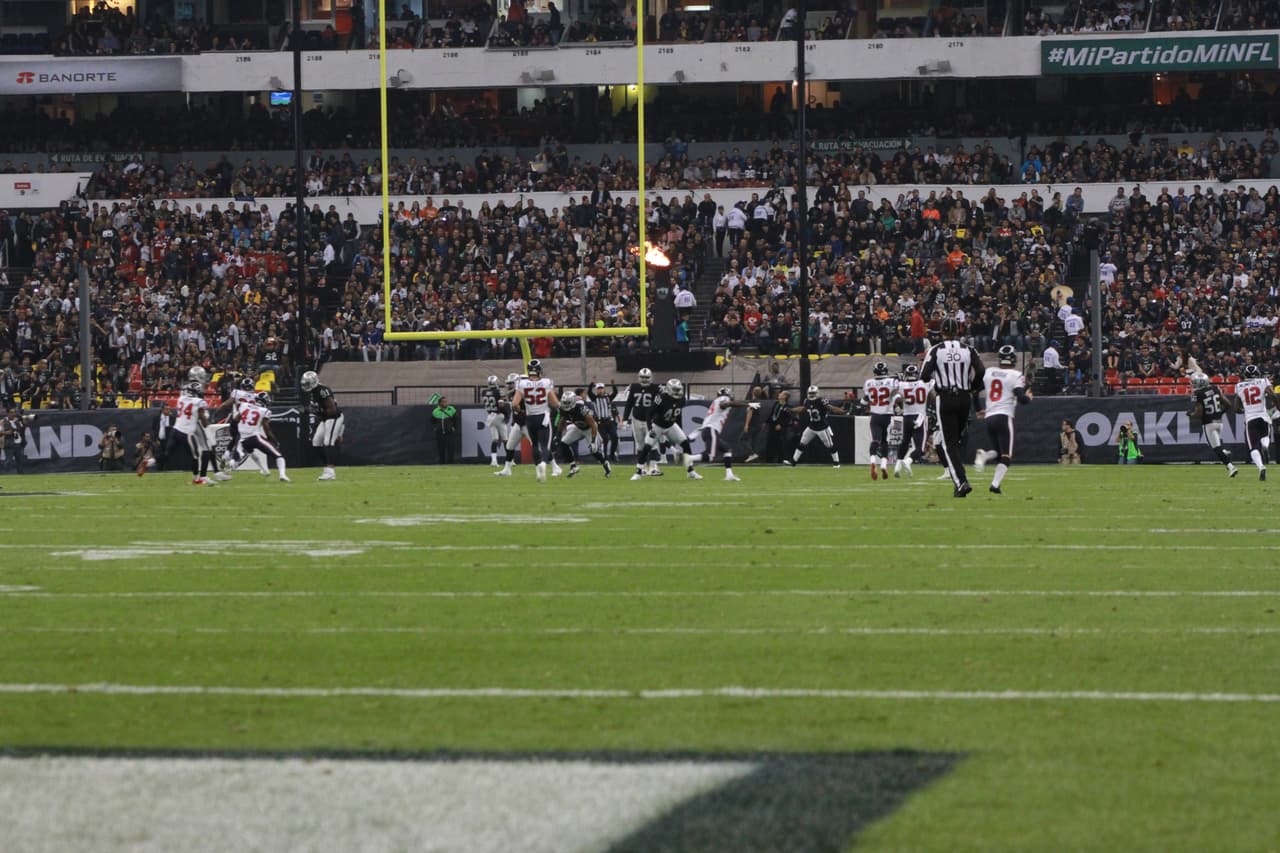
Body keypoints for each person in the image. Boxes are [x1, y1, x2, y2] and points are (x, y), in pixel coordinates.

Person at [921, 316, 985, 498]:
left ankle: (961, 481)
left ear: (941, 332)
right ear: (958, 331)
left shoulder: (936, 350)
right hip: (964, 397)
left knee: (949, 443)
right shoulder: (968, 349)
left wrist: (937, 379)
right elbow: (981, 370)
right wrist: (972, 386)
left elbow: (924, 375)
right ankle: (960, 478)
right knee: (957, 440)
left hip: (946, 397)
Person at [974, 345, 1034, 494]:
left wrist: (978, 409)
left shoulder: (989, 372)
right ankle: (994, 485)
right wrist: (1028, 397)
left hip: (989, 418)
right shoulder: (1015, 375)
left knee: (999, 454)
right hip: (1003, 417)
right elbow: (1022, 399)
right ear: (1013, 359)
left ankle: (985, 456)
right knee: (1006, 457)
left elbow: (974, 391)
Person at [635, 378, 700, 480]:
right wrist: (650, 427)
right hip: (658, 425)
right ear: (669, 389)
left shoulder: (681, 399)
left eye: (678, 389)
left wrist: (681, 429)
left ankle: (690, 471)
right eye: (675, 389)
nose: (677, 392)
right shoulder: (661, 398)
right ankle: (638, 472)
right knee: (647, 447)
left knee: (685, 444)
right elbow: (649, 412)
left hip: (671, 425)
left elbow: (678, 415)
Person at [510, 358, 560, 483]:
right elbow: (554, 403)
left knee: (535, 444)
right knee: (544, 445)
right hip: (543, 417)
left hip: (530, 418)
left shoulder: (521, 383)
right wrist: (558, 406)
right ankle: (543, 463)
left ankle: (538, 469)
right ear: (539, 370)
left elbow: (514, 403)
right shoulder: (546, 382)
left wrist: (520, 410)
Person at [693, 386, 756, 481]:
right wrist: (747, 404)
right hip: (711, 429)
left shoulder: (716, 401)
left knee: (727, 449)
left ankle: (729, 474)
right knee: (710, 456)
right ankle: (689, 458)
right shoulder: (723, 398)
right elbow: (725, 403)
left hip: (709, 429)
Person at [1233, 364, 1275, 480]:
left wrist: (1244, 410)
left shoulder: (1239, 385)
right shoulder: (1263, 381)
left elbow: (1236, 408)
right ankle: (1265, 446)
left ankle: (1261, 467)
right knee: (1265, 435)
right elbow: (1272, 395)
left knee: (1253, 448)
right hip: (1263, 416)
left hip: (1250, 418)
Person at [171, 379, 218, 485]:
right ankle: (202, 477)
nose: (200, 392)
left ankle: (202, 476)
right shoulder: (199, 402)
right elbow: (204, 420)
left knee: (202, 451)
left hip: (184, 427)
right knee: (203, 451)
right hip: (193, 428)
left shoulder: (182, 399)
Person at [1189, 374, 1237, 477]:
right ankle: (1224, 451)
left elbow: (1199, 412)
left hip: (1209, 424)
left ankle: (1231, 467)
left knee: (1215, 448)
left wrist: (1191, 414)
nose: (1193, 384)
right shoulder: (1214, 388)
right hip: (1219, 422)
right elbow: (1228, 404)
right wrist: (1220, 413)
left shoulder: (1197, 393)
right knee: (1214, 444)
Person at [783, 385, 842, 468]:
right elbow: (803, 409)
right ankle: (793, 461)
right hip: (811, 427)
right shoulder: (807, 401)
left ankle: (836, 463)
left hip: (822, 427)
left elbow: (831, 408)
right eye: (810, 393)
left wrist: (842, 411)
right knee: (802, 443)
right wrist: (792, 410)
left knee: (830, 445)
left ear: (817, 393)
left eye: (813, 393)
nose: (811, 395)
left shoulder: (822, 401)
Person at [555, 391, 611, 478]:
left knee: (594, 450)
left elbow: (593, 424)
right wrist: (558, 434)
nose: (566, 405)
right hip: (578, 427)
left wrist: (593, 441)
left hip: (589, 428)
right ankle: (573, 466)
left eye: (568, 403)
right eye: (565, 403)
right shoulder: (562, 408)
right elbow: (562, 420)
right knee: (563, 443)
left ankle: (605, 463)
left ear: (573, 402)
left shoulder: (581, 408)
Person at [301, 369, 344, 481]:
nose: (305, 385)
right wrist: (309, 410)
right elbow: (317, 408)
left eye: (307, 382)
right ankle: (327, 469)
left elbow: (332, 410)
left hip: (334, 418)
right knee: (316, 442)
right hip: (325, 419)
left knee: (328, 442)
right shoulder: (313, 391)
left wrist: (313, 411)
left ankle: (331, 471)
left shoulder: (323, 390)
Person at [238, 391, 291, 481]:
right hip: (254, 437)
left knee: (250, 452)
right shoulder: (264, 411)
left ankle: (264, 470)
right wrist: (273, 440)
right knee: (278, 456)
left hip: (243, 439)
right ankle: (282, 475)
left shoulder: (244, 406)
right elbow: (266, 428)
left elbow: (236, 419)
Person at [892, 364, 932, 478]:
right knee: (920, 448)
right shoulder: (925, 383)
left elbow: (897, 399)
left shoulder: (901, 385)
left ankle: (897, 467)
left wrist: (904, 403)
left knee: (905, 442)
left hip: (907, 417)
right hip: (919, 417)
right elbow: (932, 396)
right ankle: (908, 461)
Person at [861, 360, 899, 480]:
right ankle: (883, 465)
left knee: (875, 441)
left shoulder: (869, 383)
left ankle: (872, 461)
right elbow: (898, 396)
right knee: (885, 442)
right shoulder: (892, 382)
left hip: (875, 416)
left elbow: (863, 401)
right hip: (888, 416)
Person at [623, 367, 663, 476]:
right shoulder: (634, 387)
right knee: (640, 445)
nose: (644, 380)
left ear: (651, 378)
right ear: (638, 377)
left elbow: (660, 405)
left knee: (652, 444)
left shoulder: (656, 388)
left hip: (650, 421)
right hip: (636, 419)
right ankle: (644, 468)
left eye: (647, 377)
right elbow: (629, 404)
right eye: (642, 377)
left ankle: (654, 467)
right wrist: (625, 419)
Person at [587, 381, 620, 462]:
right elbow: (589, 392)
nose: (600, 390)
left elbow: (615, 392)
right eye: (599, 389)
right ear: (596, 390)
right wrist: (591, 383)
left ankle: (612, 454)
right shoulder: (594, 398)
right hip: (600, 422)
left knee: (615, 437)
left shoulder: (608, 397)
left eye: (602, 388)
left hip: (609, 421)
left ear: (604, 389)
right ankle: (605, 457)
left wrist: (613, 384)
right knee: (604, 439)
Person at [480, 375, 509, 467]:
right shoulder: (499, 392)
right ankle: (510, 460)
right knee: (505, 440)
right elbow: (501, 405)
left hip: (490, 416)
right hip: (498, 416)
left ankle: (493, 461)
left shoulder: (484, 392)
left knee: (495, 440)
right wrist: (506, 414)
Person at [764, 389, 794, 463]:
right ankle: (769, 460)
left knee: (780, 444)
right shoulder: (776, 404)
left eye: (782, 394)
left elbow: (788, 419)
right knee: (770, 444)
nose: (779, 394)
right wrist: (766, 422)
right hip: (772, 427)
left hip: (781, 429)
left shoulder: (788, 407)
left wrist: (781, 425)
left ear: (785, 397)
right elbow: (772, 414)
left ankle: (780, 460)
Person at [431, 395, 458, 464]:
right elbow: (432, 421)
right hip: (439, 433)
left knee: (451, 448)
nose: (446, 403)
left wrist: (454, 427)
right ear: (440, 403)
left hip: (449, 432)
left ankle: (451, 463)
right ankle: (442, 462)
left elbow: (456, 420)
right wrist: (435, 428)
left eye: (446, 401)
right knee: (441, 448)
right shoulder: (435, 411)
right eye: (444, 402)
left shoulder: (451, 409)